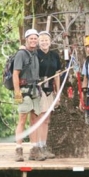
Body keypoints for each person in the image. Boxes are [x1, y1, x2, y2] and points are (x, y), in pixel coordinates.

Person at [29, 30, 61, 161]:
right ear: (38, 42)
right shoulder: (34, 54)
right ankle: (36, 147)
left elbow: (57, 75)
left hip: (49, 88)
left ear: (50, 41)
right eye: (41, 40)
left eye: (46, 40)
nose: (44, 42)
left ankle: (43, 145)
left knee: (46, 119)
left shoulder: (54, 55)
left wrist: (57, 93)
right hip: (38, 88)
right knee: (39, 117)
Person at [13, 29, 41, 162]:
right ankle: (19, 150)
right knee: (22, 119)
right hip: (24, 90)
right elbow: (15, 74)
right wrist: (17, 93)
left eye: (36, 38)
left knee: (34, 120)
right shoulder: (21, 54)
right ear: (26, 39)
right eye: (31, 38)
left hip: (35, 90)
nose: (34, 40)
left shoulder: (35, 54)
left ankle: (34, 150)